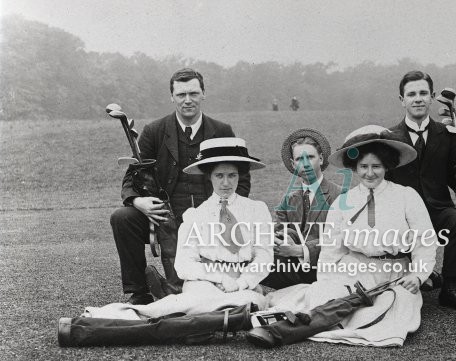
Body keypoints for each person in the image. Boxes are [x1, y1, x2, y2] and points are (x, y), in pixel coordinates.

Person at [58, 138, 272, 346]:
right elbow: (184, 265)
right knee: (199, 303)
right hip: (205, 284)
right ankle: (109, 318)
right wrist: (220, 279)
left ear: (240, 175)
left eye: (232, 175)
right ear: (209, 176)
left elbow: (264, 257)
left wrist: (242, 282)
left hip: (245, 285)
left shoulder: (256, 210)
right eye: (219, 175)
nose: (226, 183)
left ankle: (191, 323)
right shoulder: (195, 215)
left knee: (248, 303)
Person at [246, 125, 437, 348]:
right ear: (355, 168)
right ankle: (280, 327)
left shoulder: (406, 196)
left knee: (390, 310)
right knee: (325, 298)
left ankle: (287, 331)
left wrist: (418, 275)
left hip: (394, 274)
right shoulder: (345, 202)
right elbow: (332, 248)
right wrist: (324, 282)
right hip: (351, 270)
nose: (369, 173)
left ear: (386, 166)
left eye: (376, 166)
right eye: (363, 166)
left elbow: (425, 241)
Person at [110, 68, 250, 305]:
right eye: (181, 94)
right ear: (171, 97)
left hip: (211, 217)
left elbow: (243, 178)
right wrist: (138, 201)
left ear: (203, 94)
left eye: (193, 93)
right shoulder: (154, 131)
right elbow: (132, 176)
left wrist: (224, 209)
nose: (188, 100)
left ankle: (189, 290)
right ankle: (139, 292)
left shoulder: (222, 130)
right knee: (123, 217)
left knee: (202, 286)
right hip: (165, 215)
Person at [385, 70, 456, 311]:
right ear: (401, 100)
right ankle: (418, 276)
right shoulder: (389, 138)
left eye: (423, 93)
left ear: (432, 96)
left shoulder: (446, 135)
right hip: (402, 216)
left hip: (438, 210)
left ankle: (450, 288)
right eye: (411, 94)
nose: (418, 99)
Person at [261, 128, 342, 289]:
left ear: (321, 159)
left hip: (327, 268)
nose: (305, 164)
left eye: (310, 157)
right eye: (299, 159)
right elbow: (277, 233)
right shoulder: (289, 199)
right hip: (292, 268)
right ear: (293, 164)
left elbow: (342, 240)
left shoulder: (340, 195)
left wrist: (299, 250)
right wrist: (284, 239)